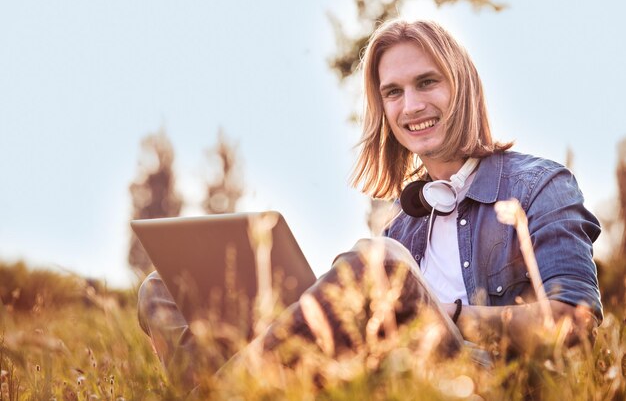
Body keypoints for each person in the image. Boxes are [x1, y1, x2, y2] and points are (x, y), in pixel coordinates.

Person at [137, 19, 602, 393]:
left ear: (462, 87)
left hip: (483, 383)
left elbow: (573, 326)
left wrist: (451, 314)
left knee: (379, 263)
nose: (411, 105)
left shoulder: (541, 185)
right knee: (161, 289)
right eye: (393, 92)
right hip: (389, 378)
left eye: (426, 83)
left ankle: (225, 391)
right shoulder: (402, 227)